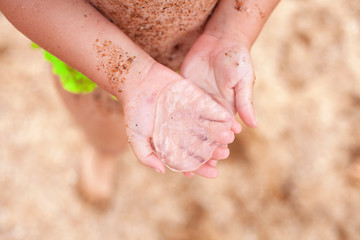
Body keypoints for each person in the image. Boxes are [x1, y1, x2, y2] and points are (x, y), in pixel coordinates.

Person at [0, 0, 280, 204]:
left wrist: (232, 29)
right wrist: (131, 76)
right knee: (103, 125)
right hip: (95, 56)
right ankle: (104, 150)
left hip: (204, 44)